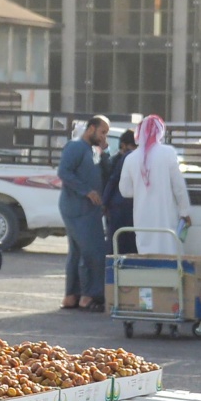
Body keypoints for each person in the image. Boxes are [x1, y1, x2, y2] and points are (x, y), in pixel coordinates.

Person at [57, 115, 110, 312]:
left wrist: (104, 152)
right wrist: (86, 191)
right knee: (94, 251)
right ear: (91, 129)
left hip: (87, 209)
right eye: (102, 132)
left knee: (78, 252)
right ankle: (90, 296)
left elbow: (105, 172)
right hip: (78, 208)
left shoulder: (92, 151)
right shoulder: (76, 147)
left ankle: (72, 296)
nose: (104, 136)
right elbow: (64, 172)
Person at [118, 114, 192, 255]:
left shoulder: (130, 158)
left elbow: (125, 191)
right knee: (169, 253)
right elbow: (179, 187)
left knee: (146, 255)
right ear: (160, 132)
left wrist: (142, 191)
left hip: (142, 218)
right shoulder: (168, 153)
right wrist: (185, 212)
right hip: (166, 216)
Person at [102, 129, 138, 255]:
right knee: (129, 244)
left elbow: (112, 180)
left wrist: (104, 203)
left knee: (116, 243)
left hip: (117, 206)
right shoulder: (137, 157)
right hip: (129, 207)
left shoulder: (122, 158)